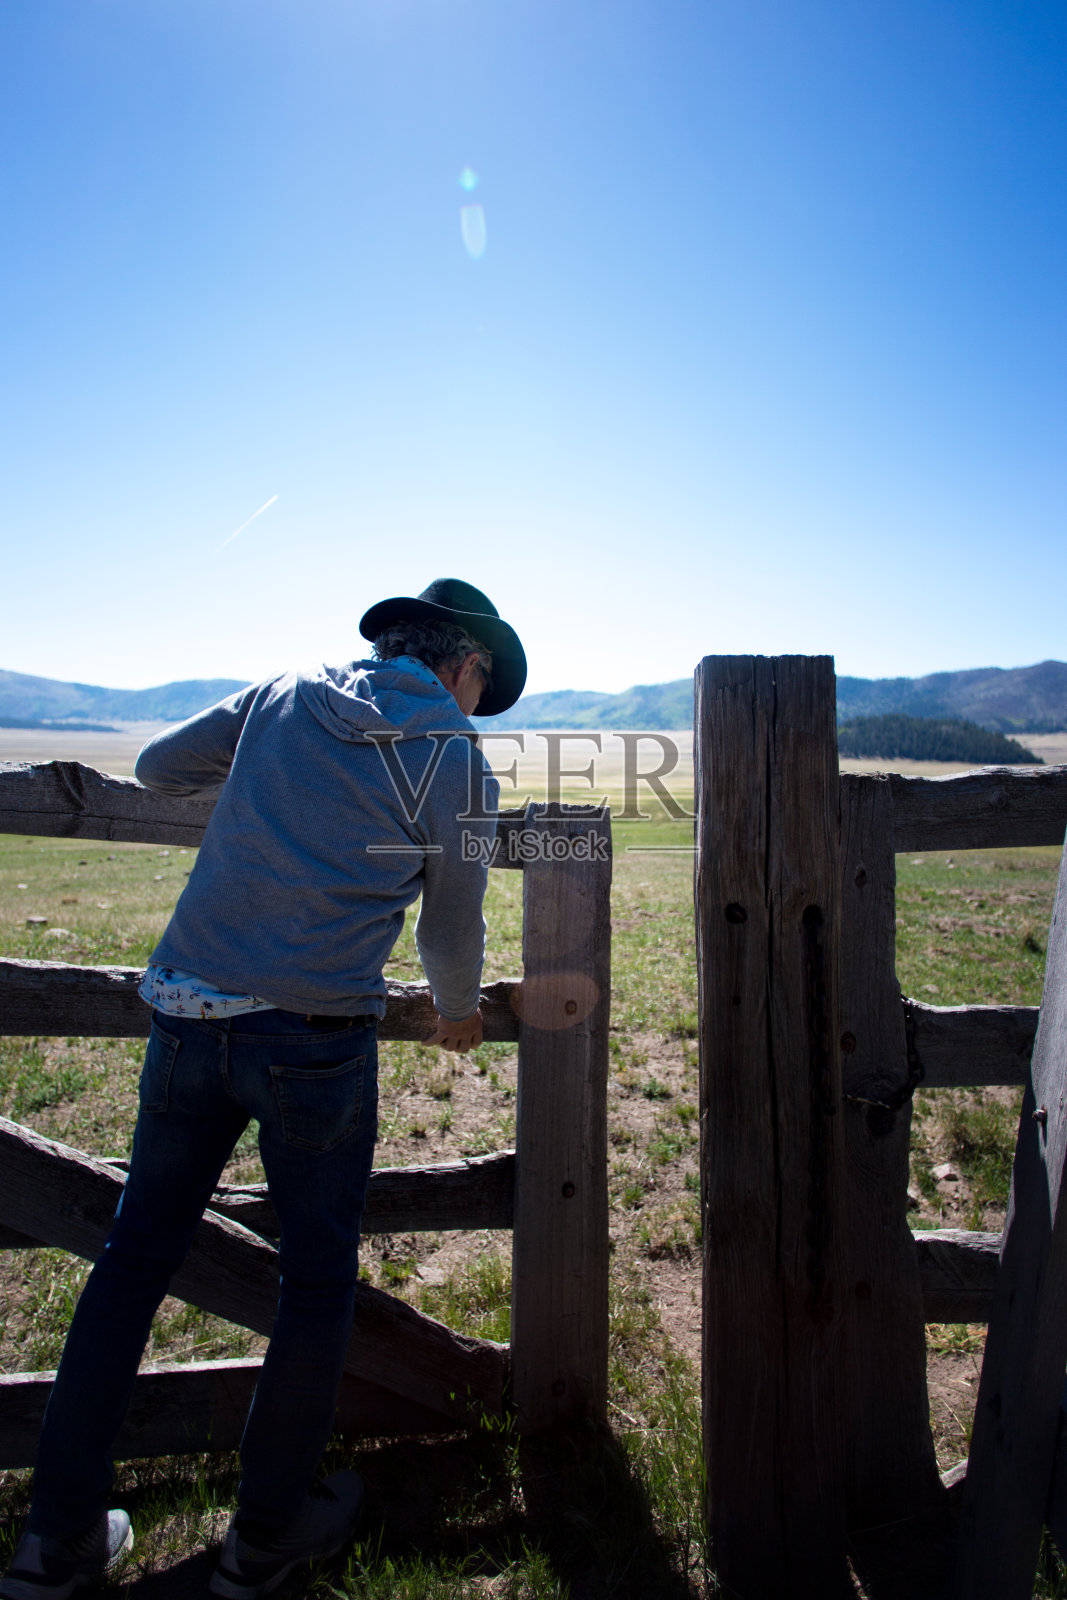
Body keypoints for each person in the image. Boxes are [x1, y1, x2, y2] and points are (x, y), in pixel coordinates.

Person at [0, 578, 526, 1600]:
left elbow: (156, 768)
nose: (473, 704)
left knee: (131, 1259)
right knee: (314, 1281)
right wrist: (457, 1009)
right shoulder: (450, 756)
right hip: (314, 1035)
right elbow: (449, 921)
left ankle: (53, 1542)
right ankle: (265, 1537)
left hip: (189, 1006)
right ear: (460, 665)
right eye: (480, 685)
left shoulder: (286, 690)